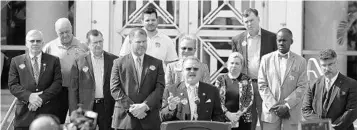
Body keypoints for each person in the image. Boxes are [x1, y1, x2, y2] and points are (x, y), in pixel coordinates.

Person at [231, 8, 277, 130]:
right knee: (248, 122)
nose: (249, 24)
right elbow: (234, 64)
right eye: (246, 21)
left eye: (251, 20)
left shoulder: (272, 38)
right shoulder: (237, 40)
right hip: (246, 86)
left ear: (258, 19)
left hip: (265, 86)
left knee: (267, 121)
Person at [110, 28, 164, 130]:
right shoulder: (118, 63)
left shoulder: (157, 63)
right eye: (138, 42)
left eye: (144, 41)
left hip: (150, 118)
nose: (142, 44)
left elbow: (160, 88)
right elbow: (114, 89)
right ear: (130, 42)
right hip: (125, 120)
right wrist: (133, 108)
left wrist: (145, 106)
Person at [8, 30, 62, 130]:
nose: (35, 43)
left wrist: (40, 99)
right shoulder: (16, 61)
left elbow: (57, 83)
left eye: (38, 41)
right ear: (26, 43)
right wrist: (29, 97)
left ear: (43, 43)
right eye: (32, 41)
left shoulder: (54, 60)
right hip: (24, 113)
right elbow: (13, 85)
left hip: (47, 114)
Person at [257, 28, 308, 130]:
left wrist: (286, 106)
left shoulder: (301, 61)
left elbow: (302, 87)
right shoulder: (266, 59)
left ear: (291, 42)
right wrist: (275, 106)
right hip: (271, 113)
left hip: (291, 113)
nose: (281, 43)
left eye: (284, 40)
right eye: (279, 40)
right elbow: (262, 85)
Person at [69, 29, 118, 130]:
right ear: (88, 43)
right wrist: (73, 111)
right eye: (95, 42)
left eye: (100, 41)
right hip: (86, 107)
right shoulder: (79, 61)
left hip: (107, 107)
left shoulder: (113, 60)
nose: (98, 45)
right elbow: (73, 89)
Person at [43, 18, 88, 123]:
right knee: (56, 121)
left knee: (78, 121)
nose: (65, 35)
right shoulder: (49, 47)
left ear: (71, 28)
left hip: (78, 90)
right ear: (56, 32)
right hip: (58, 91)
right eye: (61, 33)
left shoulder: (83, 46)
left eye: (67, 31)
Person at [302, 49, 357, 130]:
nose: (327, 68)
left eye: (330, 64)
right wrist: (323, 126)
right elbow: (306, 109)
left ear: (337, 63)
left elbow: (353, 110)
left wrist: (333, 127)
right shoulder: (312, 84)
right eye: (323, 65)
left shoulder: (351, 84)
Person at [161, 56, 224, 122]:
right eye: (188, 69)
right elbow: (162, 117)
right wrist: (170, 108)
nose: (192, 71)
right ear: (182, 71)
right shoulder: (171, 90)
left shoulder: (212, 90)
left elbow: (219, 117)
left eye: (195, 69)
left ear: (200, 71)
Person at [214, 52, 254, 130]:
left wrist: (238, 115)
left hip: (243, 119)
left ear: (241, 66)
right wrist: (228, 114)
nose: (234, 65)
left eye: (237, 63)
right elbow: (217, 99)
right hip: (223, 118)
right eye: (232, 63)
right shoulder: (220, 79)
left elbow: (250, 98)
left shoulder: (246, 79)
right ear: (227, 64)